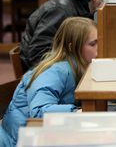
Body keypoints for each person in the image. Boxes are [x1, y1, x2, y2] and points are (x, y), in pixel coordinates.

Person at [0, 17, 97, 147]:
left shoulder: (79, 67)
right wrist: (76, 112)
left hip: (40, 135)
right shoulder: (55, 71)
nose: (99, 48)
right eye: (93, 44)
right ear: (72, 47)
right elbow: (39, 111)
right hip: (21, 139)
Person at [20, 0, 116, 71]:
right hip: (44, 74)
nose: (112, 6)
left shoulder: (86, 10)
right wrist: (77, 69)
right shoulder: (60, 9)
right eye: (111, 0)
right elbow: (37, 54)